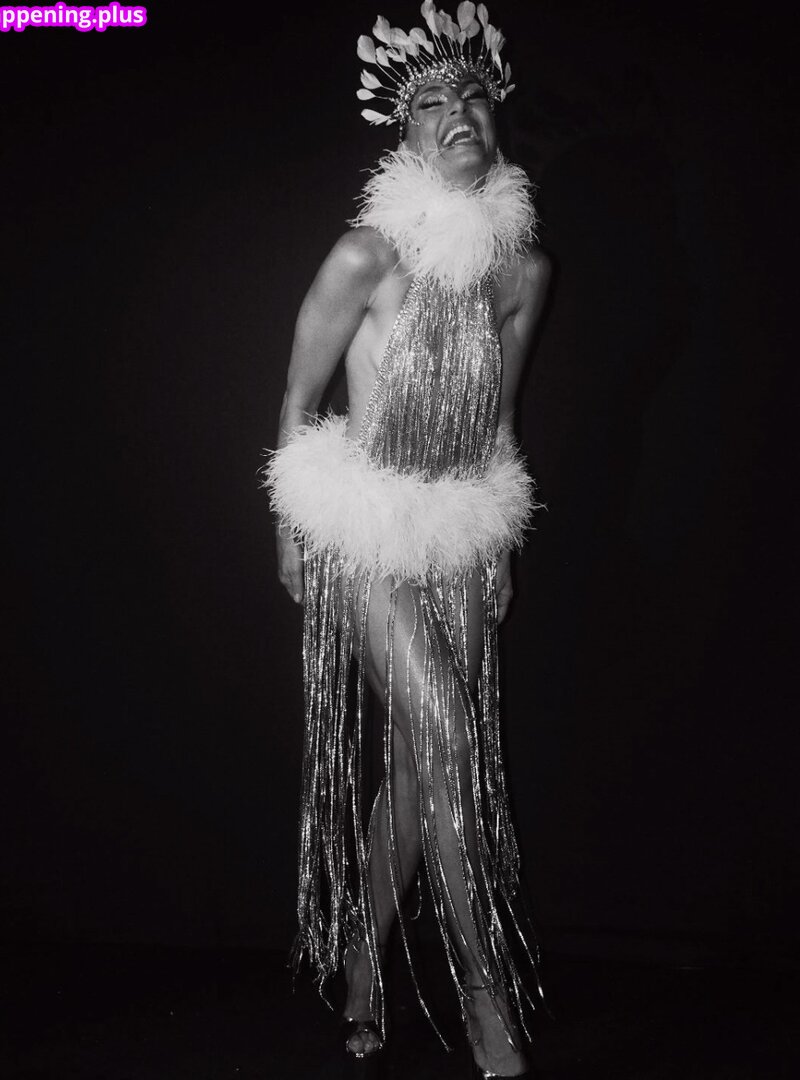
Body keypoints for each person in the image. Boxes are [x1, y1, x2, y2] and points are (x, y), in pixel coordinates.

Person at [263, 4, 550, 1076]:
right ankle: (484, 994)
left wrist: (501, 538)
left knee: (422, 770)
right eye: (430, 101)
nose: (456, 113)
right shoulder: (365, 256)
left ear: (497, 112)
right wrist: (288, 529)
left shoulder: (522, 273)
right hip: (366, 529)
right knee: (453, 747)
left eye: (472, 94)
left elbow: (501, 419)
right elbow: (296, 403)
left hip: (462, 527)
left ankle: (362, 960)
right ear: (405, 131)